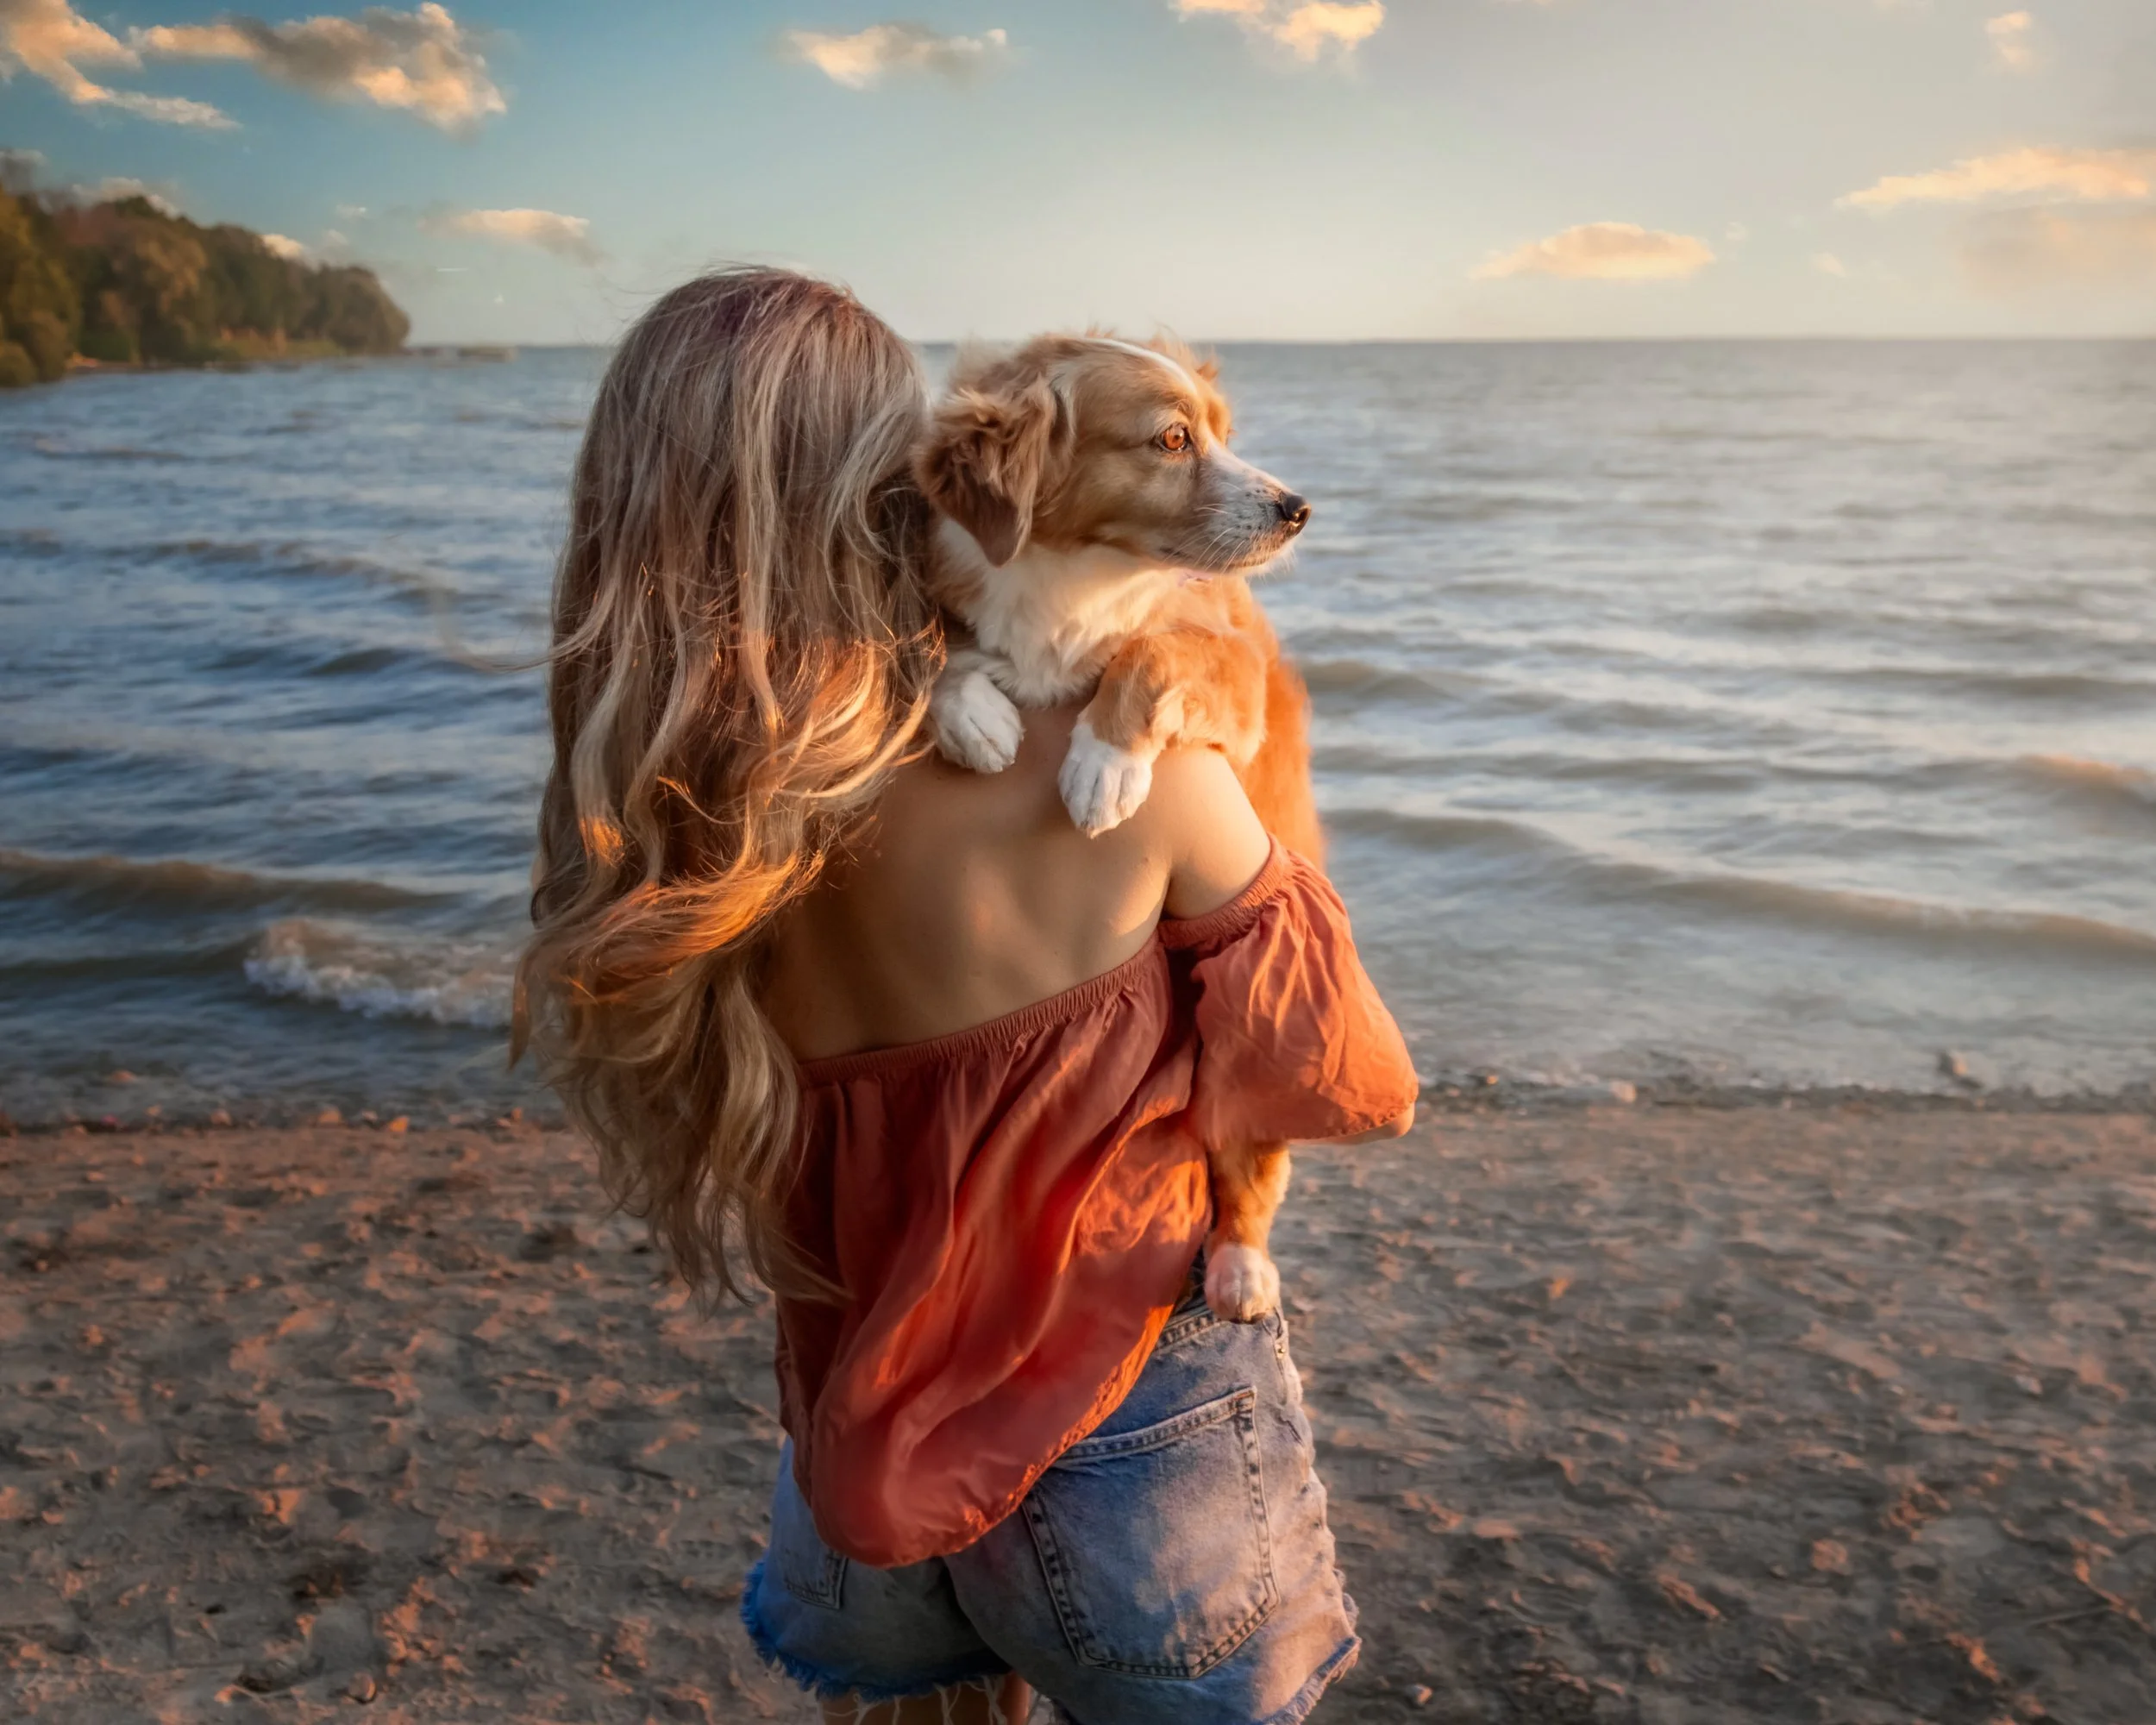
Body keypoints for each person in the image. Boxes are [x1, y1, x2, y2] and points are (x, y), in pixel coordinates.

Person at [518, 267, 1420, 1725]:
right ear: (897, 477)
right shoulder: (1147, 780)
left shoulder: (670, 829)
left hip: (863, 1458)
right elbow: (1351, 1074)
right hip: (1133, 1456)